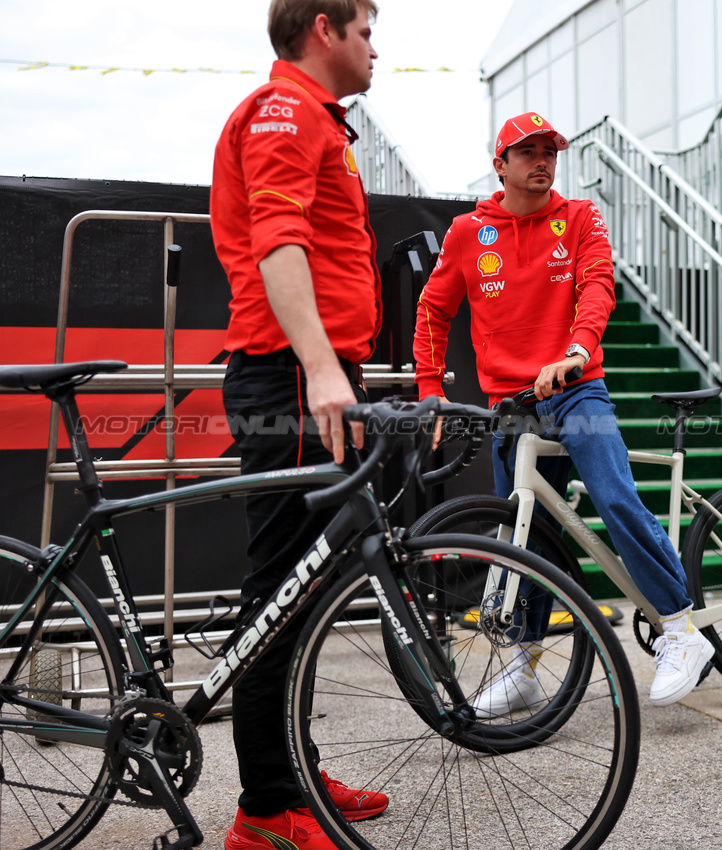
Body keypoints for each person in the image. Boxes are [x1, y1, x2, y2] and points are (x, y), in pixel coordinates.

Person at [414, 111, 714, 710]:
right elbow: (432, 309)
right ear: (500, 165)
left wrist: (575, 353)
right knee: (526, 532)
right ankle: (523, 665)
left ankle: (681, 630)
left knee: (613, 494)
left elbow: (598, 285)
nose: (542, 160)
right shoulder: (468, 232)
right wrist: (430, 390)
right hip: (513, 402)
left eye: (549, 150)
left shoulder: (579, 217)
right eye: (527, 152)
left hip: (577, 388)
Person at [210, 1, 388, 846]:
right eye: (364, 32)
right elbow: (279, 243)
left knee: (302, 591)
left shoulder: (318, 120)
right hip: (288, 373)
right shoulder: (283, 113)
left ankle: (293, 770)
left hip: (309, 369)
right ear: (325, 28)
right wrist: (319, 366)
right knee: (277, 594)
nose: (374, 48)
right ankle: (264, 811)